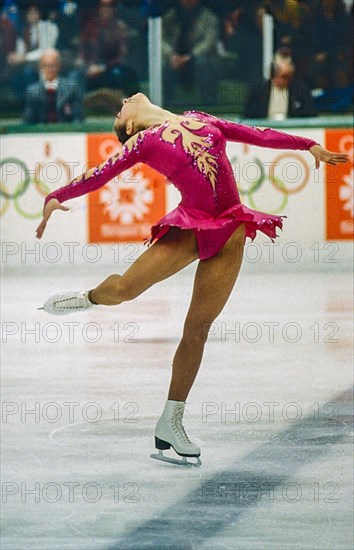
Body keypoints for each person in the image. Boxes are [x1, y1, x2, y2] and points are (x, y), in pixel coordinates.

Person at [35, 93, 348, 466]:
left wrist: (308, 144)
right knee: (124, 290)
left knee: (197, 328)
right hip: (189, 227)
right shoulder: (142, 141)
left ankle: (172, 419)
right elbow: (100, 173)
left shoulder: (199, 117)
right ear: (131, 126)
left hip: (230, 227)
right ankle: (89, 298)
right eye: (121, 110)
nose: (124, 100)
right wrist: (56, 195)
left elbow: (255, 133)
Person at [161, 0, 220, 105]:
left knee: (203, 64)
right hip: (174, 59)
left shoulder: (209, 17)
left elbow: (209, 42)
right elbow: (160, 40)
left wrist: (190, 57)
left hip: (199, 59)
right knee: (163, 65)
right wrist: (171, 55)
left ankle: (208, 104)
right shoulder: (170, 17)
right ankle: (167, 104)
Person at [243, 52, 317, 119]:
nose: (284, 80)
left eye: (288, 76)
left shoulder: (301, 89)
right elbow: (248, 115)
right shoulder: (258, 90)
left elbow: (310, 115)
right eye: (282, 76)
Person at [23, 48, 84, 124]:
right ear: (40, 67)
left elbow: (78, 118)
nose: (49, 69)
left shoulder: (72, 88)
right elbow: (28, 121)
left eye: (52, 65)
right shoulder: (32, 91)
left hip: (66, 133)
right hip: (41, 134)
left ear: (59, 65)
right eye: (45, 65)